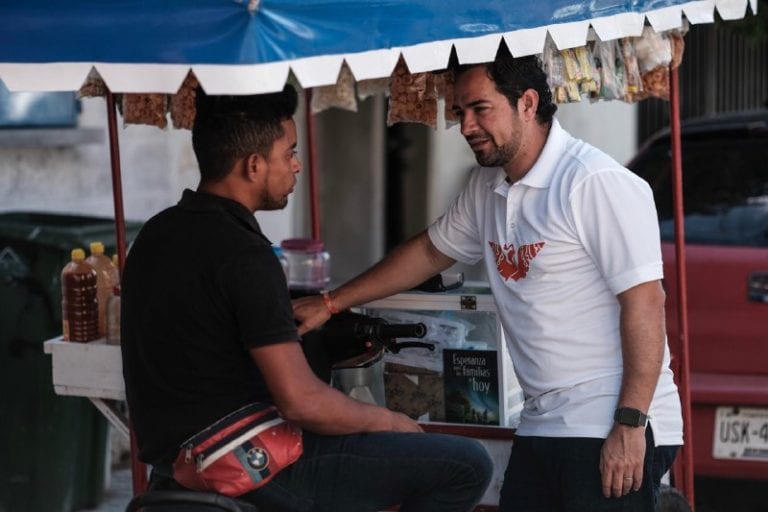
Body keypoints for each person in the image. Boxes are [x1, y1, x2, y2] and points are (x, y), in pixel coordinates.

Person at [293, 45, 684, 512]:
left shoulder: (591, 181)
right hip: (542, 422)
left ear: (528, 103)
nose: (466, 126)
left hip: (607, 419)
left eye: (480, 109)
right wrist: (332, 302)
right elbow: (430, 251)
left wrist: (630, 422)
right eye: (460, 112)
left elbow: (645, 303)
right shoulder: (487, 187)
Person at [121, 84, 493, 512]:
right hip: (253, 470)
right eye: (290, 153)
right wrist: (390, 421)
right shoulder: (244, 255)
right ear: (255, 165)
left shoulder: (154, 234)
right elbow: (301, 402)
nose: (297, 166)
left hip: (174, 466)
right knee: (466, 464)